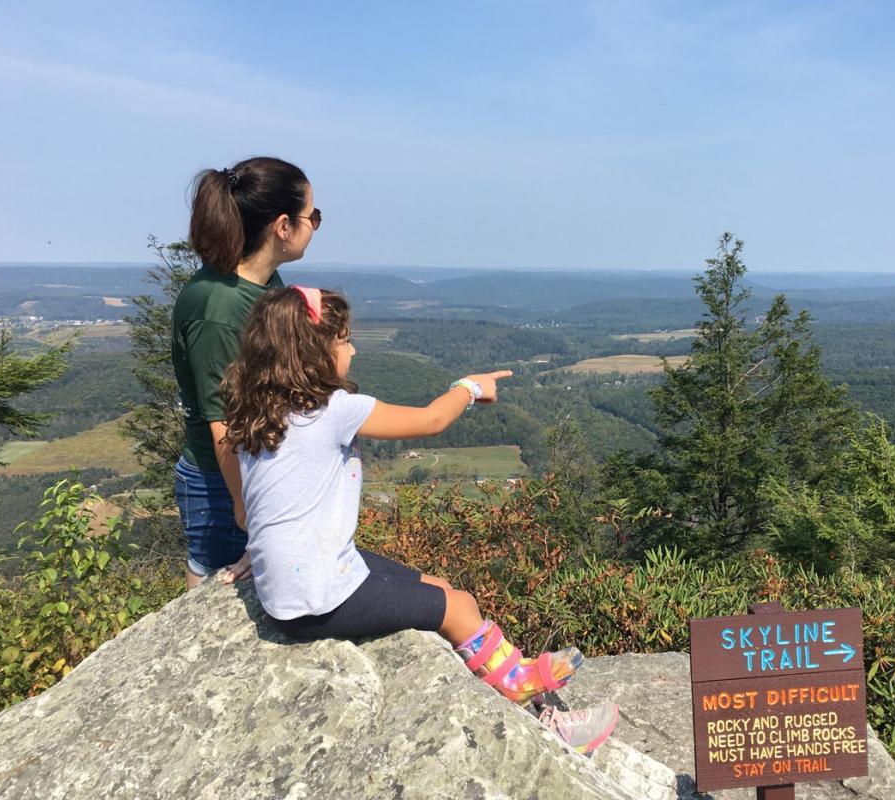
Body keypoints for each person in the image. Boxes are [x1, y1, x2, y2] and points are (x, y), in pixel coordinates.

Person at [218, 285, 619, 755]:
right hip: (317, 598)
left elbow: (257, 508)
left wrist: (260, 553)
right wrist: (469, 387)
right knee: (457, 608)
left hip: (298, 583)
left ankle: (508, 678)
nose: (353, 348)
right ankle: (527, 695)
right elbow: (431, 420)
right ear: (313, 354)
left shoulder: (256, 416)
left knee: (441, 587)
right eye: (344, 340)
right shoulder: (334, 411)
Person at [172, 157, 319, 589]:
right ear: (283, 226)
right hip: (223, 482)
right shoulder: (218, 309)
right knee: (218, 593)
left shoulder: (263, 285)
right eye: (314, 217)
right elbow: (223, 426)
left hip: (254, 468)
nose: (316, 226)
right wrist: (248, 508)